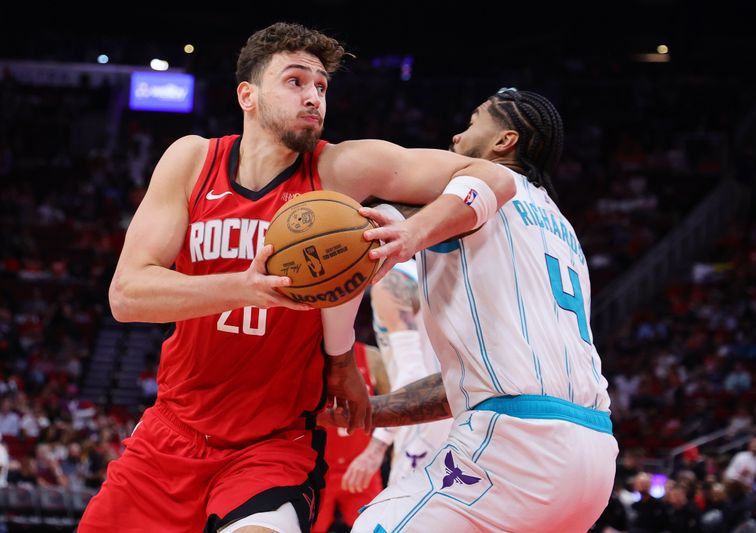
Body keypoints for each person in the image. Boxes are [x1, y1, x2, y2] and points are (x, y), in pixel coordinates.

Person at [78, 22, 514, 533]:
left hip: (274, 444)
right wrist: (245, 286)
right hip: (171, 433)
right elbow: (127, 295)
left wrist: (413, 233)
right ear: (248, 95)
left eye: (322, 87)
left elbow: (495, 177)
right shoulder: (193, 159)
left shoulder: (342, 167)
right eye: (296, 81)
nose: (313, 97)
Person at [332, 88, 619, 532]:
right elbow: (475, 380)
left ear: (504, 142)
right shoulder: (563, 230)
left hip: (519, 443)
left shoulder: (471, 191)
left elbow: (351, 234)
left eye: (472, 122)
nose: (456, 134)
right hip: (594, 455)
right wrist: (370, 409)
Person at [338, 259, 451, 494]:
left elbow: (413, 374)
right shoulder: (440, 271)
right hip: (461, 408)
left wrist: (376, 448)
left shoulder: (389, 283)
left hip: (423, 417)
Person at [313, 341, 383, 533]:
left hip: (360, 466)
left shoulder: (371, 356)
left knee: (376, 527)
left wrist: (376, 452)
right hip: (317, 468)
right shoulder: (303, 356)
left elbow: (392, 409)